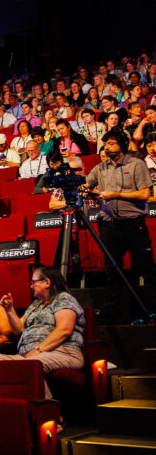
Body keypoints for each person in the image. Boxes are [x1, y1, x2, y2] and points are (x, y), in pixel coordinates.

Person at [85, 130, 156, 320]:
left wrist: (116, 194)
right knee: (112, 269)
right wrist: (86, 190)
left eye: (111, 143)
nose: (106, 146)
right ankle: (113, 312)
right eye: (106, 143)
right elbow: (85, 185)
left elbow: (144, 194)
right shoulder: (100, 168)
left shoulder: (136, 164)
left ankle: (152, 308)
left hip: (133, 223)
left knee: (146, 266)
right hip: (109, 224)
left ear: (122, 145)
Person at [0, 266, 86, 397]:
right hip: (29, 355)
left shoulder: (63, 298)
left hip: (64, 351)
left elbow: (64, 330)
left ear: (47, 282)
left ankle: (48, 412)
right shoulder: (36, 304)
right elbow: (18, 329)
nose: (31, 286)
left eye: (33, 282)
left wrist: (38, 350)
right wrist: (9, 310)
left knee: (29, 366)